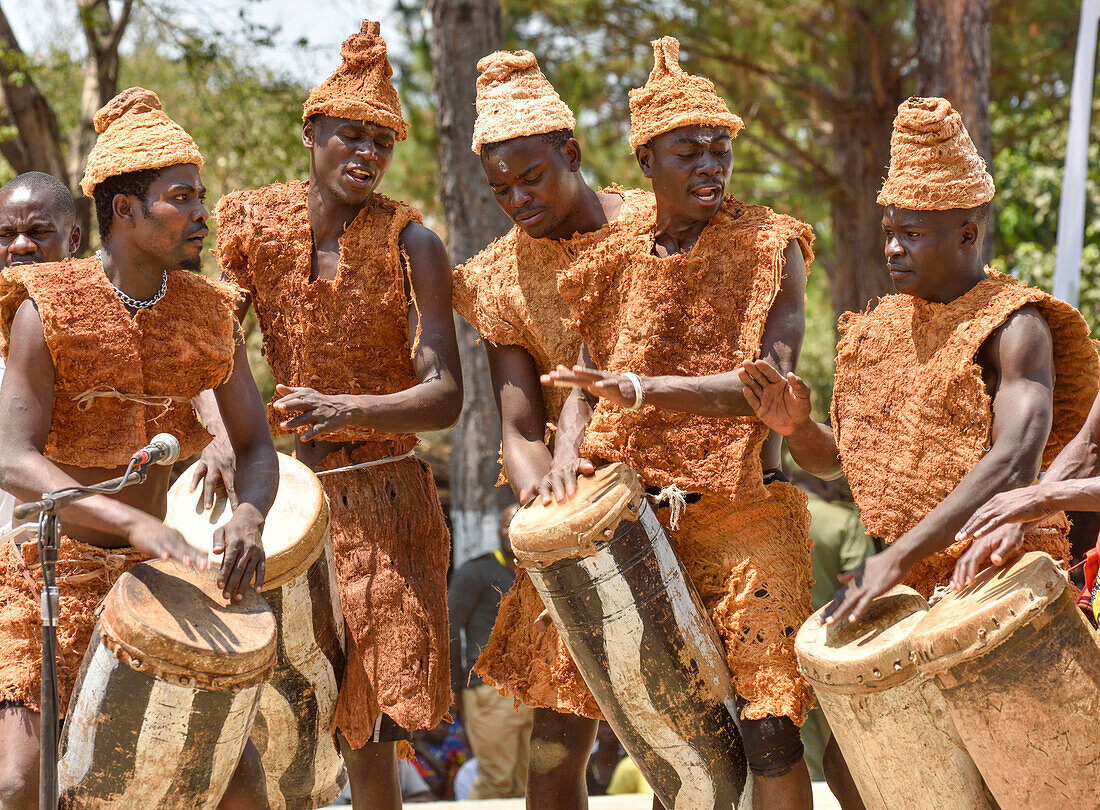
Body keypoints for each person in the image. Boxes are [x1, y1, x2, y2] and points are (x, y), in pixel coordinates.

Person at [738, 96, 1099, 809]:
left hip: (995, 586)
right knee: (851, 762)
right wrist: (799, 432)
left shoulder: (1014, 324)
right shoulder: (874, 334)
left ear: (967, 233)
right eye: (889, 231)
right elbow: (853, 467)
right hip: (904, 599)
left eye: (913, 234)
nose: (893, 248)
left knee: (1012, 781)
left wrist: (898, 555)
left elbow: (1015, 457)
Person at [541, 37, 816, 810]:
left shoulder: (773, 246)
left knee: (770, 728)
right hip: (639, 520)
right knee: (672, 732)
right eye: (689, 152)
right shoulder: (612, 259)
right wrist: (565, 455)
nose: (710, 167)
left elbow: (764, 389)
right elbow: (583, 382)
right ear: (646, 164)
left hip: (745, 515)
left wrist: (637, 386)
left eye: (720, 149)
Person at [195, 21, 463, 810]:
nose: (367, 154)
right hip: (286, 498)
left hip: (391, 503)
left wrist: (350, 407)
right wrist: (218, 438)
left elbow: (446, 396)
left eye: (382, 142)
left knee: (378, 715)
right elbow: (213, 347)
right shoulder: (253, 228)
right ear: (311, 131)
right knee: (284, 701)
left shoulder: (414, 242)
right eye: (352, 134)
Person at [0, 87, 278, 809]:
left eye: (201, 196)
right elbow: (12, 458)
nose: (201, 214)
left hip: (153, 580)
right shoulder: (46, 303)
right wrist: (130, 521)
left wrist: (250, 512)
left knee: (240, 781)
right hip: (45, 576)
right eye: (181, 197)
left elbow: (254, 444)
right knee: (23, 781)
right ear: (124, 211)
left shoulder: (210, 312)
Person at [450, 48, 652, 810]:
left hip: (669, 498)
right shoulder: (498, 276)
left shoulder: (649, 231)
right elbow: (518, 422)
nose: (516, 198)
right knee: (552, 752)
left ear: (570, 153)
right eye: (500, 187)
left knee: (686, 743)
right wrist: (546, 504)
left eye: (531, 177)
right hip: (570, 525)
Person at [0, 172, 82, 533]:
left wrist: (219, 439)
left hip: (71, 559)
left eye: (38, 232)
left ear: (74, 239)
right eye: (5, 234)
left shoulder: (98, 325)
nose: (20, 245)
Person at [448, 502, 533, 799]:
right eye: (507, 524)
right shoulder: (477, 572)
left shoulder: (537, 571)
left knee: (527, 784)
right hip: (489, 691)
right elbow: (449, 626)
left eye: (519, 523)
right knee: (497, 780)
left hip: (532, 692)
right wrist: (455, 686)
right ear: (498, 531)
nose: (512, 531)